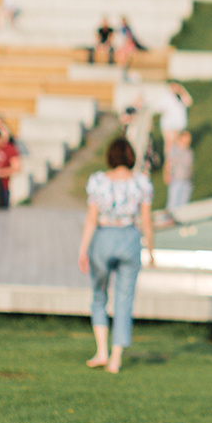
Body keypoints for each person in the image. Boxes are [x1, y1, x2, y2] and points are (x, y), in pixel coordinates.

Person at [79, 138, 155, 373]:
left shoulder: (99, 181)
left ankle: (101, 350)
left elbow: (91, 219)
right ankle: (116, 358)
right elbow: (146, 221)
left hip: (104, 237)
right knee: (124, 299)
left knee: (99, 295)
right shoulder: (141, 183)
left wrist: (83, 249)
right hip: (130, 238)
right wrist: (151, 250)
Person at [164, 128, 194, 213]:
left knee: (184, 206)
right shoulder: (174, 150)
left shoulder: (189, 151)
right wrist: (167, 174)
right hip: (176, 179)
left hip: (187, 180)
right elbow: (168, 163)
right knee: (173, 204)